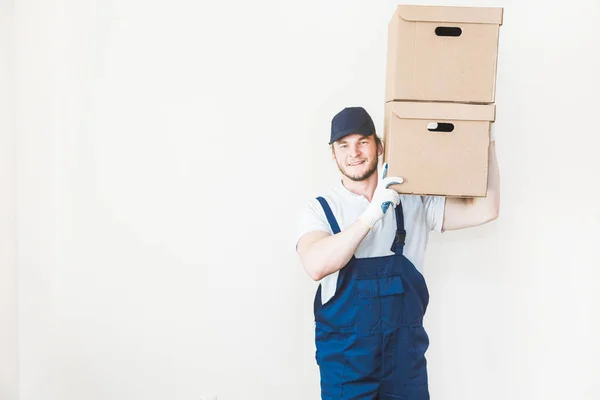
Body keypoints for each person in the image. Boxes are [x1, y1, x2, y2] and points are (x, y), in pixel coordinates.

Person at [295, 106, 500, 400]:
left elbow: (486, 209)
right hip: (346, 368)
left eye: (362, 142)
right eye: (343, 145)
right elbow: (315, 264)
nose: (354, 152)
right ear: (333, 154)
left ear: (379, 147)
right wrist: (370, 215)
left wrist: (484, 139)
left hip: (404, 365)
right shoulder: (320, 209)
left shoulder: (413, 201)